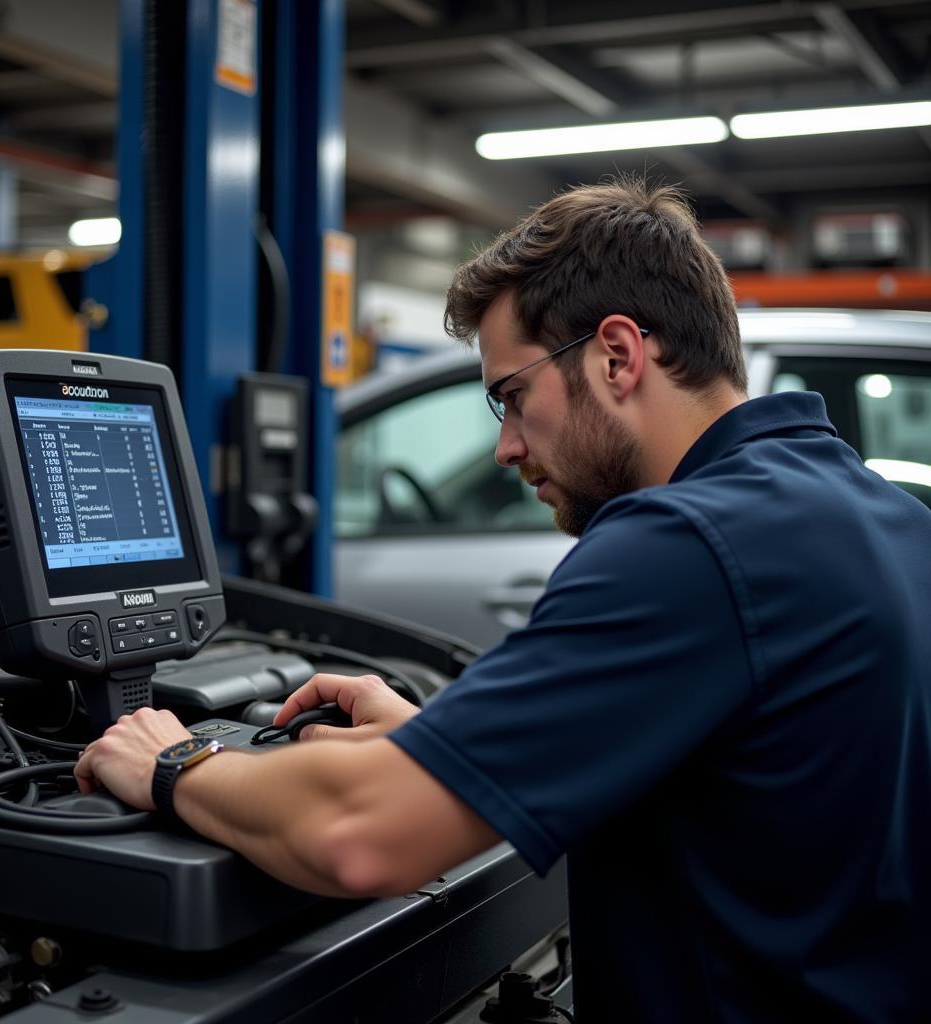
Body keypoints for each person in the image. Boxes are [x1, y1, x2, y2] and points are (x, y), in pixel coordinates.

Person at [74, 177, 930, 1022]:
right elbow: (731, 785)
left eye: (512, 397)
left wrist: (173, 762)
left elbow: (357, 836)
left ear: (619, 355)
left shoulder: (684, 545)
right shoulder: (883, 518)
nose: (505, 447)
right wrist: (435, 747)